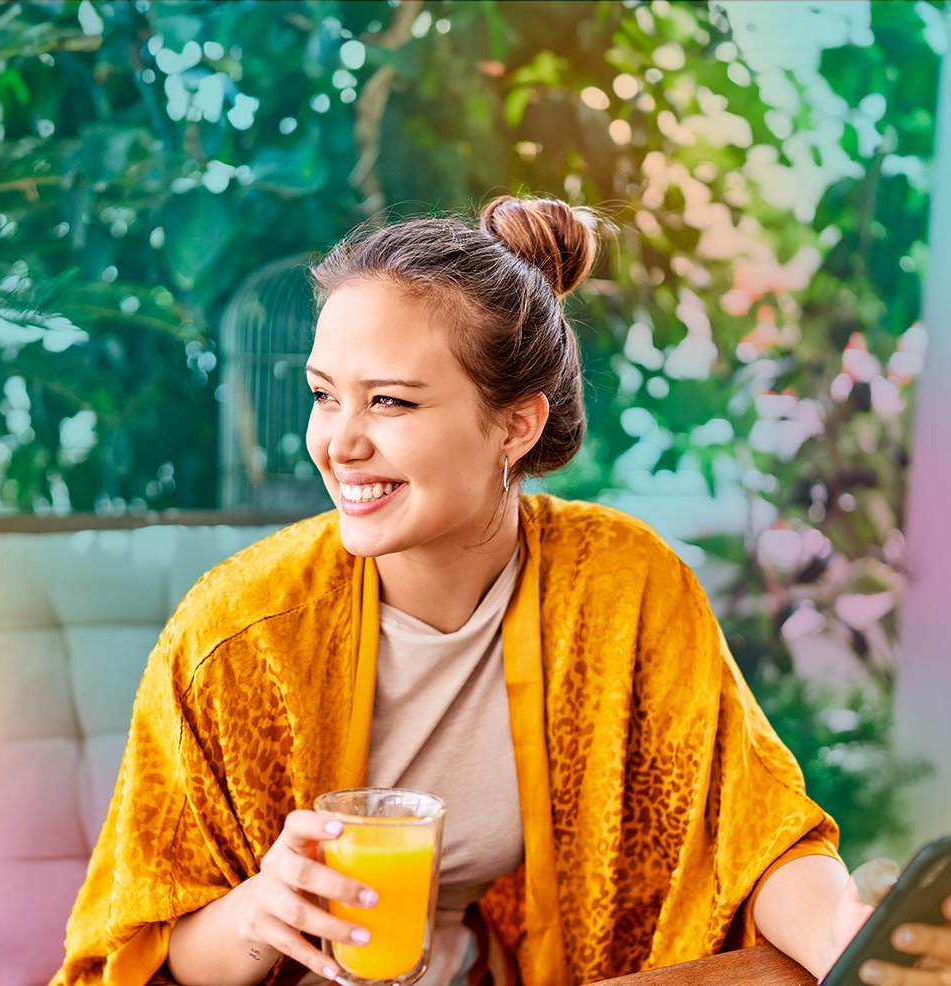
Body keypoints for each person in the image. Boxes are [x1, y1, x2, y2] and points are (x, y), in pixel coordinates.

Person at [51, 196, 951, 986]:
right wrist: (258, 914)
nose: (338, 443)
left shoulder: (624, 588)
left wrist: (848, 935)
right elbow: (142, 948)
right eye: (327, 396)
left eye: (391, 403)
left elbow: (755, 832)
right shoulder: (238, 635)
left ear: (516, 424)